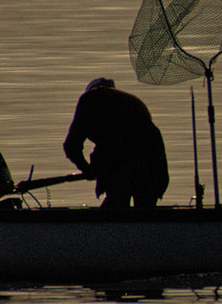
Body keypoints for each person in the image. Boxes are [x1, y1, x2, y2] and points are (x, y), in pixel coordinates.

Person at [63, 77, 169, 208]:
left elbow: (71, 145)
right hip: (150, 156)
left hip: (126, 155)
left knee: (116, 204)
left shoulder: (89, 99)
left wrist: (86, 169)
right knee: (145, 207)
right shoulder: (131, 101)